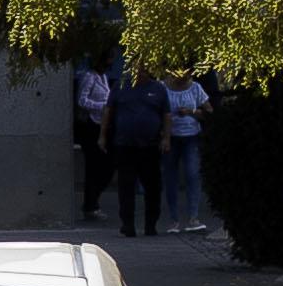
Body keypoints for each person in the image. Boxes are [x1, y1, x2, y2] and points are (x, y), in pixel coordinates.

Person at [103, 67, 167, 240]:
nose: (139, 74)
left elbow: (166, 114)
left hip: (150, 145)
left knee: (152, 186)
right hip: (125, 144)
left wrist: (166, 138)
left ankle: (151, 224)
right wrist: (102, 135)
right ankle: (127, 224)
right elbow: (108, 111)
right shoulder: (120, 86)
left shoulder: (158, 88)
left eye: (144, 70)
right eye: (137, 70)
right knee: (126, 185)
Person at [69, 60, 116, 229]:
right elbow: (82, 100)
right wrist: (102, 106)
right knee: (94, 166)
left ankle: (93, 200)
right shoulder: (89, 77)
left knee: (107, 166)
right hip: (92, 125)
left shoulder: (103, 77)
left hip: (102, 123)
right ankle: (90, 204)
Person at [161, 74, 211, 230]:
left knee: (192, 174)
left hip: (191, 135)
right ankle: (174, 219)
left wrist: (191, 112)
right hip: (171, 136)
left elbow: (209, 110)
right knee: (170, 177)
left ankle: (193, 217)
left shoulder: (195, 87)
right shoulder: (163, 87)